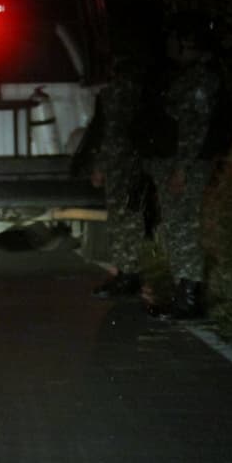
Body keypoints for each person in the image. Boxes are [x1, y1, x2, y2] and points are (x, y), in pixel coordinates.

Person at [142, 25, 221, 319]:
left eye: (176, 42)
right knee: (176, 226)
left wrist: (182, 168)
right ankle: (183, 293)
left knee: (184, 227)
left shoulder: (200, 79)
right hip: (176, 164)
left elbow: (193, 128)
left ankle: (189, 298)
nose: (171, 48)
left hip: (187, 165)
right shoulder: (184, 77)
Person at [90, 60, 151, 300]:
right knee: (129, 219)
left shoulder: (116, 93)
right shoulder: (140, 90)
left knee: (122, 219)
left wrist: (101, 165)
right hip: (135, 162)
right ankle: (129, 272)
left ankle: (128, 273)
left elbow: (112, 134)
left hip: (121, 164)